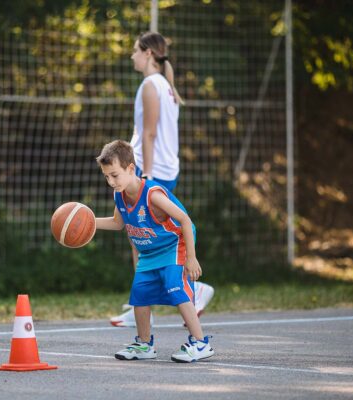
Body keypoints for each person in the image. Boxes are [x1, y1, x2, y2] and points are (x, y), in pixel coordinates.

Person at [110, 31, 214, 328]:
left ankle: (186, 293)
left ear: (149, 54)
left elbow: (149, 134)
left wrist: (147, 176)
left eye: (135, 51)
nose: (132, 56)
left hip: (150, 168)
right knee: (143, 237)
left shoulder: (150, 85)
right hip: (165, 168)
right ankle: (145, 302)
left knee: (142, 236)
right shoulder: (166, 87)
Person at [95, 140, 214, 362]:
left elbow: (185, 220)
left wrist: (191, 257)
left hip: (173, 245)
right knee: (139, 294)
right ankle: (143, 345)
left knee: (174, 286)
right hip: (150, 252)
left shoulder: (152, 195)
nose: (110, 181)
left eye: (114, 175)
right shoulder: (119, 194)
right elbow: (117, 223)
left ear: (131, 169)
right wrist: (88, 222)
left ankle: (200, 342)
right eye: (106, 176)